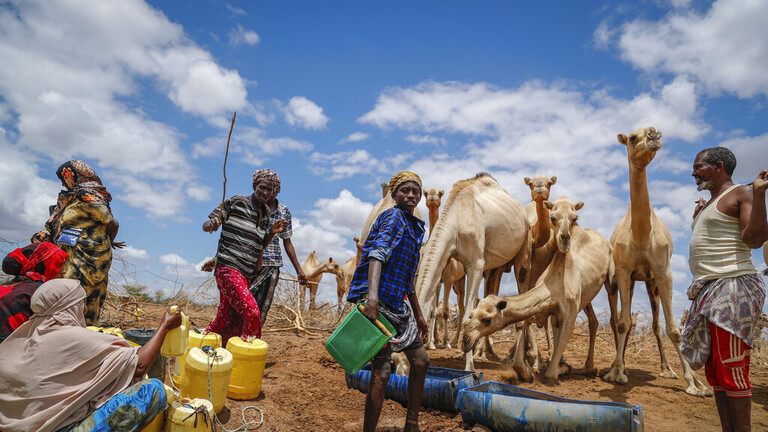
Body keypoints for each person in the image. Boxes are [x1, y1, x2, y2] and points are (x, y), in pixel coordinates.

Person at [0, 278, 182, 432]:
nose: (85, 310)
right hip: (55, 427)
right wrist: (164, 326)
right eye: (82, 303)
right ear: (70, 305)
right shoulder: (70, 336)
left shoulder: (25, 334)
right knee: (152, 390)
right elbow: (140, 365)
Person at [681, 147, 768, 432]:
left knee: (732, 369)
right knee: (716, 373)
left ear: (718, 167)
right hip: (711, 291)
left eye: (699, 167)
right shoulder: (710, 202)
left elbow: (754, 239)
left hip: (733, 288)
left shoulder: (741, 193)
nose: (694, 173)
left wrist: (759, 194)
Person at [346, 171, 429, 432]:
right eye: (405, 190)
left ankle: (412, 424)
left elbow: (408, 277)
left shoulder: (414, 226)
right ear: (394, 194)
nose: (411, 196)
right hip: (378, 305)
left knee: (421, 361)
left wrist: (419, 314)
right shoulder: (393, 217)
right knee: (381, 373)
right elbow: (376, 256)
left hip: (398, 305)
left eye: (416, 191)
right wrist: (372, 299)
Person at [32, 160, 124, 325]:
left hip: (86, 256)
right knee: (79, 296)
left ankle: (76, 335)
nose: (62, 183)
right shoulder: (74, 196)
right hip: (76, 254)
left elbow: (112, 223)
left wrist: (111, 241)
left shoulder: (86, 195)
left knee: (74, 295)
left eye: (63, 178)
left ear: (72, 175)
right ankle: (79, 333)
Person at [203, 169, 286, 345]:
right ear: (254, 185)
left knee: (227, 318)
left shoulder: (266, 215)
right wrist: (212, 224)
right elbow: (207, 224)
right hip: (228, 269)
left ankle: (207, 349)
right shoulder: (236, 202)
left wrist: (271, 233)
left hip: (246, 274)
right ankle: (247, 355)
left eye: (269, 190)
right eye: (262, 187)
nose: (265, 192)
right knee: (252, 313)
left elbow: (259, 245)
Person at [250, 170, 307, 324]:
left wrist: (299, 271)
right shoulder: (251, 207)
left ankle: (252, 339)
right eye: (267, 187)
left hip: (271, 265)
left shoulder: (283, 211)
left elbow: (287, 242)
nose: (271, 191)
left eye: (275, 188)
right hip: (249, 262)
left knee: (262, 307)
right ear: (257, 187)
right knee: (245, 301)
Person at [0, 242, 69, 343]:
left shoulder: (7, 285)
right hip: (15, 353)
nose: (64, 271)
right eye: (58, 264)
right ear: (42, 265)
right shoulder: (42, 292)